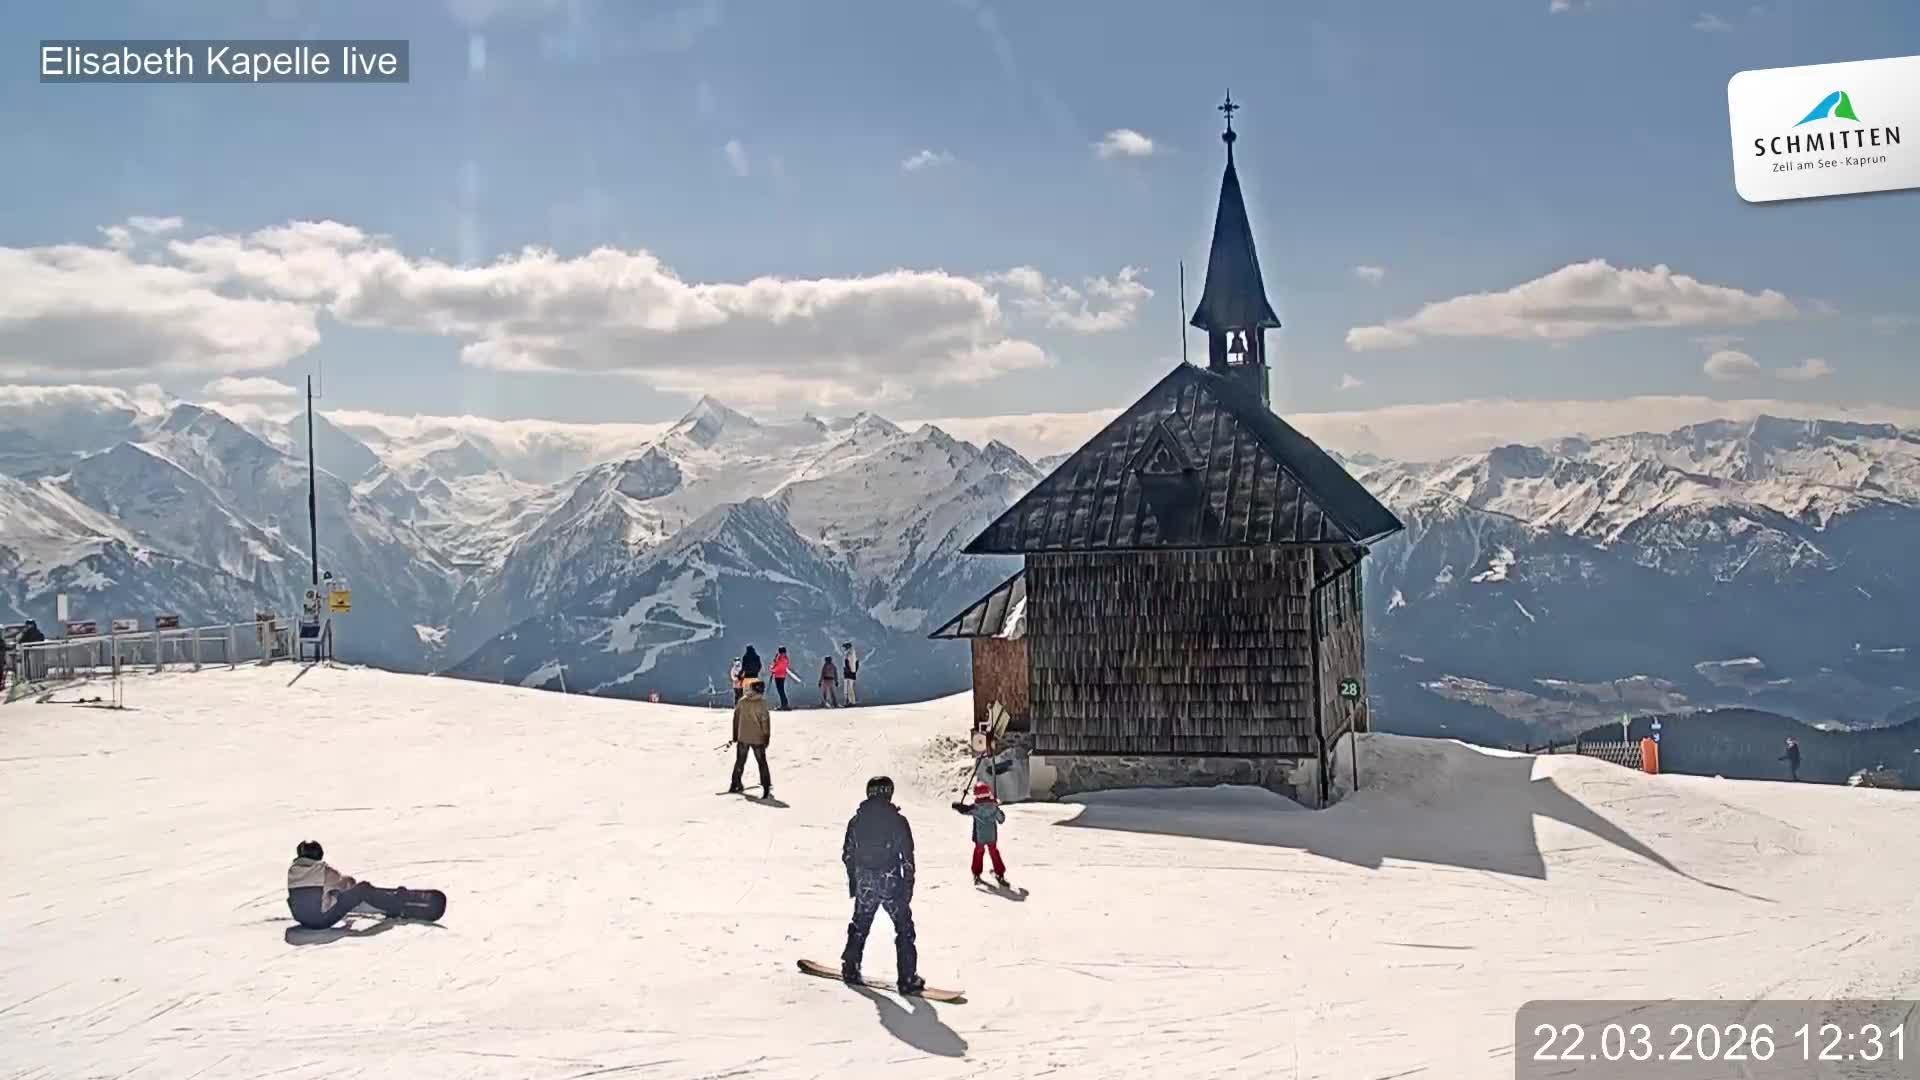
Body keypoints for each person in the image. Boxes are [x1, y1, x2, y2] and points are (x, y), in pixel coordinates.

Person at [841, 775, 922, 994]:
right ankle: (907, 977)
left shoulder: (856, 821)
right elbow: (908, 858)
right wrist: (908, 888)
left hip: (865, 883)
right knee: (904, 928)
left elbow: (847, 855)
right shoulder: (897, 821)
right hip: (890, 883)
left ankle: (850, 967)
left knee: (860, 925)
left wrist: (855, 882)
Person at [286, 840, 410, 929]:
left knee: (326, 891)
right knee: (363, 889)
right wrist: (354, 886)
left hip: (302, 920)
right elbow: (346, 884)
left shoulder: (292, 871)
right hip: (321, 921)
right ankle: (395, 905)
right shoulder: (323, 871)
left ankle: (328, 903)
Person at [952, 781, 1010, 888]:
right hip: (992, 836)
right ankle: (1000, 873)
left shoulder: (975, 808)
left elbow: (964, 810)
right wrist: (998, 810)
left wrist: (957, 806)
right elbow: (1001, 819)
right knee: (994, 852)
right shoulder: (993, 807)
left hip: (980, 837)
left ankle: (977, 873)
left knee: (978, 852)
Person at [728, 677, 773, 799]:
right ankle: (766, 786)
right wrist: (766, 737)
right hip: (758, 738)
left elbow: (736, 719)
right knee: (762, 762)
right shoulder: (762, 703)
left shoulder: (742, 701)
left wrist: (735, 735)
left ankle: (735, 784)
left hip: (743, 737)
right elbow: (765, 721)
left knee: (740, 761)